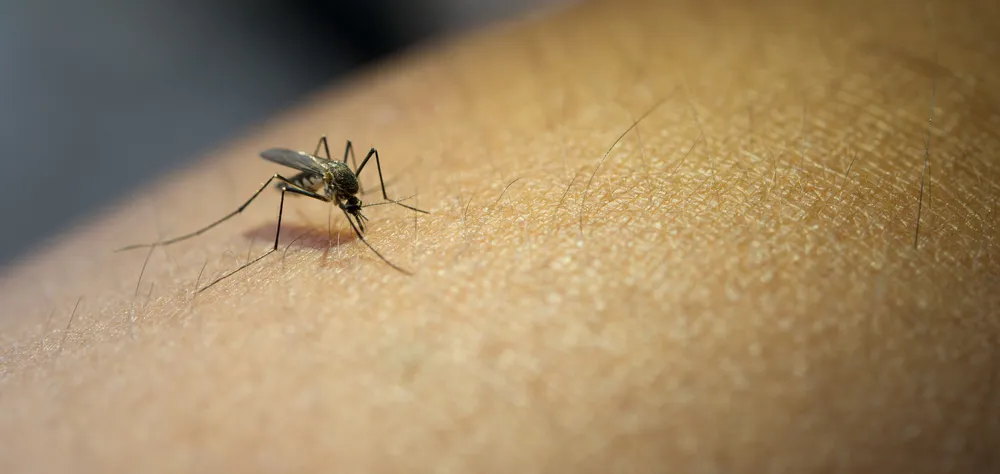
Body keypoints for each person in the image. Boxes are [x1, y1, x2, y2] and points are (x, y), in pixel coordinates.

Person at [1, 0, 997, 471]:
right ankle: (221, 244)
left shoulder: (352, 182)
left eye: (349, 209)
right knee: (280, 199)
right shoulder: (316, 191)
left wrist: (382, 215)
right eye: (350, 210)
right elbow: (319, 180)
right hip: (278, 182)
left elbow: (358, 179)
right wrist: (321, 221)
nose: (349, 210)